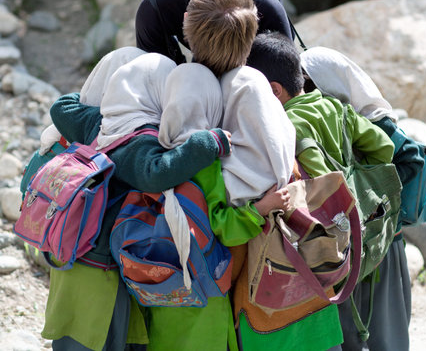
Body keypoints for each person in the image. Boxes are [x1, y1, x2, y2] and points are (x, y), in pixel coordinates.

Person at [42, 52, 233, 351]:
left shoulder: (97, 121)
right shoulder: (139, 140)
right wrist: (209, 142)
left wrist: (107, 93)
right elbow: (155, 174)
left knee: (71, 337)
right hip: (101, 262)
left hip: (72, 248)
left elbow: (61, 107)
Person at [244, 31, 396, 351]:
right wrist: (354, 170)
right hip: (365, 219)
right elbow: (383, 147)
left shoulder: (288, 125)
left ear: (274, 90)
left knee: (343, 314)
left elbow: (320, 183)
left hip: (334, 234)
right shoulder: (334, 107)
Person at [145, 62, 294, 351]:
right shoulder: (208, 163)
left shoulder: (150, 151)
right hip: (202, 296)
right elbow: (223, 227)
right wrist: (261, 208)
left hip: (158, 289)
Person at [300, 46, 423, 351]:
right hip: (363, 243)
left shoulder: (371, 121)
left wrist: (365, 197)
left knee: (382, 334)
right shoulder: (343, 117)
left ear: (326, 85)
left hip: (378, 244)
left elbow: (410, 164)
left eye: (305, 82)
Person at [135, 0, 294, 64]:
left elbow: (287, 82)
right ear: (185, 18)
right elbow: (157, 84)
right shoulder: (154, 11)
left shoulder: (270, 10)